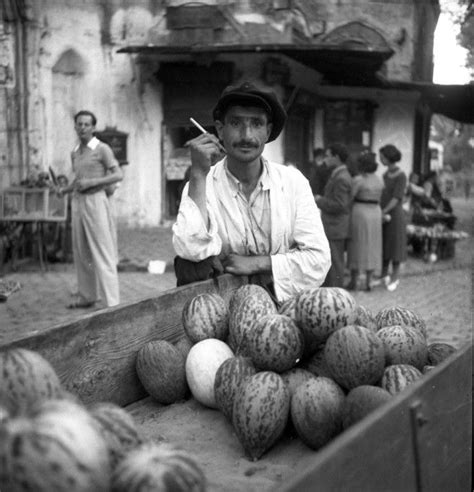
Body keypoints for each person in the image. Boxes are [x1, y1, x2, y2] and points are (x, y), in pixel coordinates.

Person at [172, 81, 331, 302]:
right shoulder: (202, 184)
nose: (247, 135)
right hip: (223, 309)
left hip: (284, 309)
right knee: (188, 266)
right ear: (220, 129)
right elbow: (190, 250)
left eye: (256, 124)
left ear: (267, 131)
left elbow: (318, 259)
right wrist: (198, 173)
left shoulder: (293, 182)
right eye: (236, 123)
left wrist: (258, 263)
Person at [59, 110, 123, 308]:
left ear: (93, 127)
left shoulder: (102, 148)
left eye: (87, 124)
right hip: (78, 202)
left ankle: (112, 303)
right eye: (79, 124)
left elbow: (117, 174)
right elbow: (79, 181)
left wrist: (94, 182)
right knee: (81, 251)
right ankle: (87, 296)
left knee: (103, 251)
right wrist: (64, 189)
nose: (83, 127)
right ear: (75, 126)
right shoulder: (75, 151)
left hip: (96, 201)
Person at [315, 143, 352, 288]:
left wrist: (319, 200)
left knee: (336, 262)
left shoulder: (341, 177)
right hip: (333, 225)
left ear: (336, 157)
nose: (326, 159)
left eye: (328, 156)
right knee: (332, 261)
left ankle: (336, 293)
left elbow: (340, 205)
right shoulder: (338, 174)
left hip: (335, 226)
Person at [346, 150, 384, 291]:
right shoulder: (379, 179)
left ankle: (354, 280)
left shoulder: (358, 180)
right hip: (375, 212)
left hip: (360, 212)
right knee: (373, 246)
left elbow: (350, 197)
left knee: (356, 244)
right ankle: (368, 281)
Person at [379, 144, 407, 292]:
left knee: (395, 246)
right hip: (385, 213)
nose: (381, 159)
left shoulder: (401, 175)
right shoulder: (384, 175)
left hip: (395, 214)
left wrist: (383, 210)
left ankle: (395, 277)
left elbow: (397, 197)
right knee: (385, 244)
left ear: (389, 157)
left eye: (382, 157)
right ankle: (384, 275)